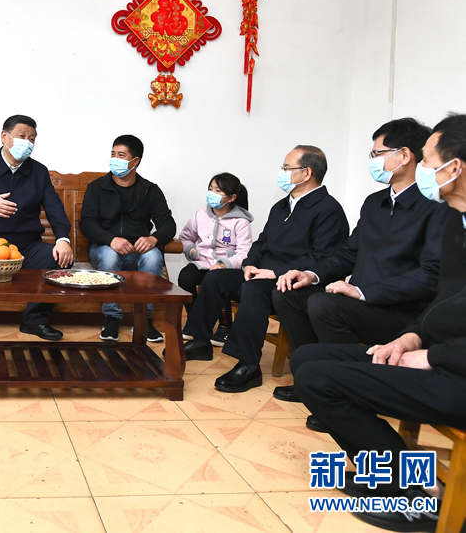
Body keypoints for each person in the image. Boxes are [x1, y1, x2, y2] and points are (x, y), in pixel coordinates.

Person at [293, 114, 466, 532]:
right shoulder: (456, 224)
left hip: (455, 369)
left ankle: (415, 496)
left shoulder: (440, 216)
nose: (425, 169)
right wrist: (412, 339)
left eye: (429, 161)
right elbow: (447, 302)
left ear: (455, 167)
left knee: (321, 376)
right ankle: (387, 475)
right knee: (308, 360)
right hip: (437, 350)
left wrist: (433, 355)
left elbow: (428, 282)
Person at [273, 119, 454, 429]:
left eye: (376, 154)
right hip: (363, 303)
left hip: (402, 312)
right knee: (290, 293)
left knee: (325, 305)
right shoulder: (374, 203)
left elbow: (431, 275)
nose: (372, 161)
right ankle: (313, 379)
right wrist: (310, 274)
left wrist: (363, 292)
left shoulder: (436, 208)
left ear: (404, 155)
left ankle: (346, 390)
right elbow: (349, 253)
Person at [182, 145, 349, 393]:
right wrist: (249, 263)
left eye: (287, 168)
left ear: (307, 173)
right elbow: (261, 243)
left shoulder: (328, 210)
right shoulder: (281, 206)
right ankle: (201, 341)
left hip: (292, 280)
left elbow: (323, 257)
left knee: (254, 290)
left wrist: (275, 272)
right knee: (216, 278)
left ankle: (248, 365)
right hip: (262, 273)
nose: (282, 172)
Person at [0, 115, 74, 341]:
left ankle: (35, 319)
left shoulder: (39, 171)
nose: (27, 142)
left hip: (27, 246)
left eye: (32, 139)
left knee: (61, 259)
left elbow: (55, 207)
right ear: (4, 136)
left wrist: (63, 240)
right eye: (21, 136)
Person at [79, 134, 176, 342]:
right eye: (113, 154)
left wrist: (153, 239)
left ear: (135, 161)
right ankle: (111, 317)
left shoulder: (150, 190)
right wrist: (110, 239)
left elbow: (168, 225)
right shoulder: (97, 187)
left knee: (153, 256)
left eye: (121, 155)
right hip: (103, 249)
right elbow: (87, 223)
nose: (115, 159)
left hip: (137, 252)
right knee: (110, 255)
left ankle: (143, 318)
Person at [177, 173, 253, 347]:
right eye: (210, 189)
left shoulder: (240, 221)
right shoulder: (200, 215)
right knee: (185, 277)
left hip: (227, 267)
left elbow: (244, 253)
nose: (212, 193)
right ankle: (197, 322)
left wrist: (225, 264)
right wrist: (192, 251)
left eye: (218, 191)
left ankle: (225, 327)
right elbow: (186, 237)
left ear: (232, 197)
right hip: (202, 262)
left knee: (218, 280)